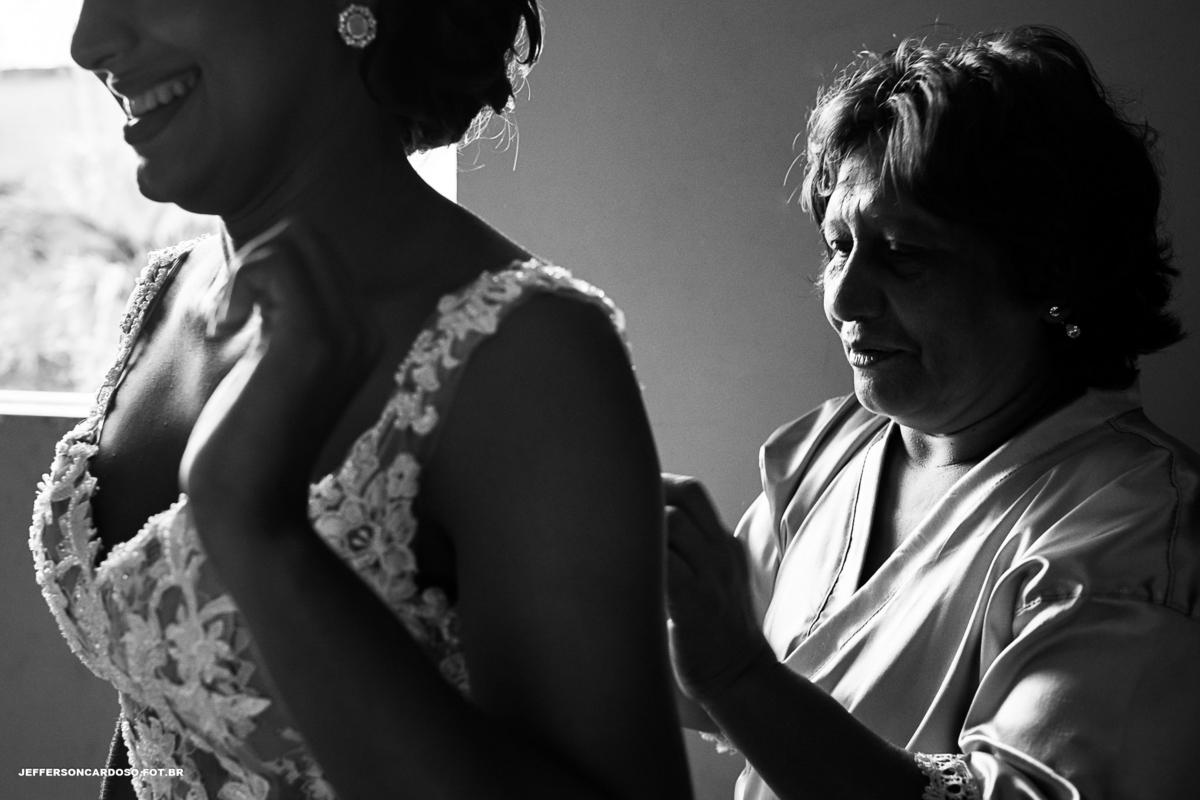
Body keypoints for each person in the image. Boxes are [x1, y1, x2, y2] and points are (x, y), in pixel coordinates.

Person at [28, 2, 693, 799]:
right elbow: (164, 714)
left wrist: (260, 532)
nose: (87, 42)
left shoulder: (523, 353)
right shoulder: (166, 296)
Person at [664, 25, 1200, 800]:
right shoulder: (832, 451)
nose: (845, 298)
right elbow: (713, 681)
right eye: (837, 245)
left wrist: (735, 674)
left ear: (1045, 270)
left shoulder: (1133, 532)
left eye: (902, 254)